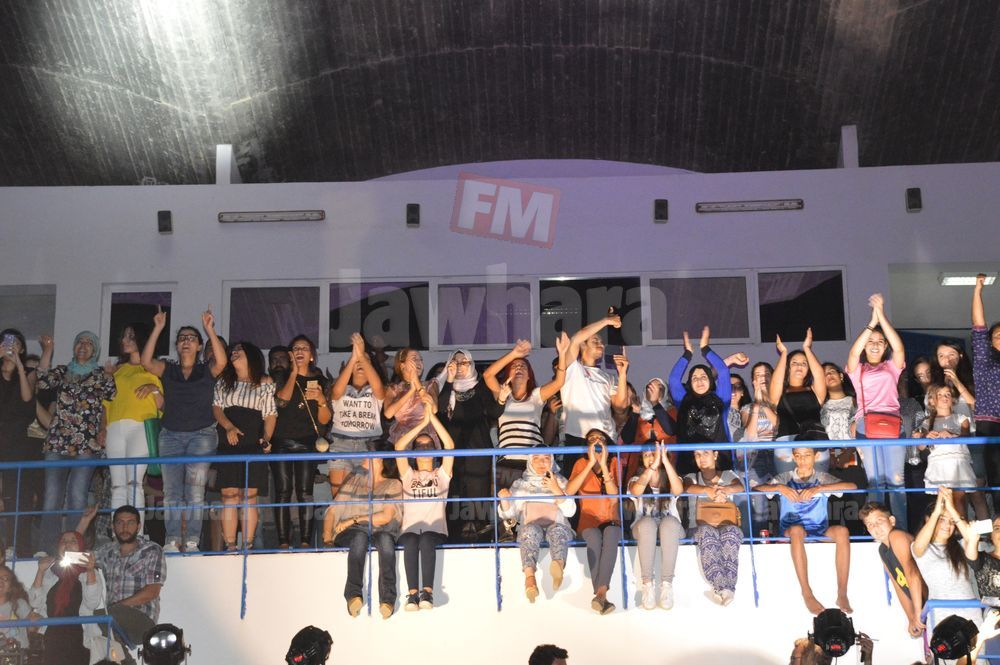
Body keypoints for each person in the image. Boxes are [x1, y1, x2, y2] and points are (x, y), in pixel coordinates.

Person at [141, 307, 226, 552]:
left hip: (202, 436)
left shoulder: (205, 370)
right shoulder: (169, 369)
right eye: (181, 338)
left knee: (195, 491)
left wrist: (209, 329)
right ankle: (172, 539)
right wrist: (158, 327)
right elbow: (146, 362)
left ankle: (191, 541)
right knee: (171, 492)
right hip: (170, 436)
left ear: (199, 346)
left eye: (191, 338)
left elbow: (222, 361)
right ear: (177, 346)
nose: (186, 341)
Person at [37, 331, 116, 554]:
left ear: (95, 351)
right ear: (74, 346)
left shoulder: (100, 374)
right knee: (52, 496)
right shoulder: (62, 371)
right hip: (57, 441)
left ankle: (73, 548)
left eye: (89, 343)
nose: (83, 345)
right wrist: (48, 351)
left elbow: (110, 397)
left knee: (77, 496)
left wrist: (109, 375)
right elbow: (43, 380)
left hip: (86, 444)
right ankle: (47, 548)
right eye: (80, 341)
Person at [756, 447, 855, 615]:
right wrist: (779, 487)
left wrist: (820, 489)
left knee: (842, 532)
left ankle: (842, 593)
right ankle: (807, 592)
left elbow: (852, 486)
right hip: (791, 530)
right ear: (793, 457)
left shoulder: (822, 478)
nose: (802, 460)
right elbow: (757, 489)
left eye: (807, 455)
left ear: (816, 456)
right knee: (797, 530)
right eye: (798, 456)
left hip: (818, 529)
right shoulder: (785, 478)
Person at [846, 293, 907, 531]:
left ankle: (900, 530)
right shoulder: (858, 369)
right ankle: (875, 529)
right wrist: (872, 323)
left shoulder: (891, 366)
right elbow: (853, 354)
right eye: (870, 341)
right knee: (875, 482)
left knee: (897, 482)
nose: (874, 344)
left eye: (880, 342)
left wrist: (881, 315)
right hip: (866, 423)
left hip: (893, 423)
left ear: (885, 346)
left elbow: (898, 347)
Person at [482, 335, 570, 494]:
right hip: (507, 460)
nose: (519, 368)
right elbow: (488, 375)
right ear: (508, 373)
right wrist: (514, 354)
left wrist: (562, 354)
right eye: (514, 366)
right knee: (506, 505)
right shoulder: (502, 394)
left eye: (523, 366)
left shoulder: (536, 395)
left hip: (533, 461)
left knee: (534, 504)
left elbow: (559, 382)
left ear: (529, 375)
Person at [392, 393, 454, 611]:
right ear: (415, 452)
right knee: (410, 539)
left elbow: (449, 445)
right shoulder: (408, 474)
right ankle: (412, 595)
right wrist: (421, 425)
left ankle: (427, 592)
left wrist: (431, 419)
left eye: (429, 446)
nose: (425, 449)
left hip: (436, 531)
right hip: (410, 530)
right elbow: (399, 447)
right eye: (420, 446)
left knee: (426, 538)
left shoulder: (442, 474)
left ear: (435, 451)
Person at [212, 342, 276, 550]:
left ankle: (247, 545)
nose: (234, 353)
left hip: (252, 440)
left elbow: (270, 414)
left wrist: (266, 438)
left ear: (251, 355)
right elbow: (217, 408)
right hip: (229, 439)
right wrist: (229, 427)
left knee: (249, 496)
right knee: (229, 495)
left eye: (239, 350)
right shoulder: (224, 381)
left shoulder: (264, 381)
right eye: (233, 350)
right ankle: (231, 546)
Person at [321, 333, 384, 544]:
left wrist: (362, 356)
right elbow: (336, 393)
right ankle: (332, 536)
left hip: (368, 446)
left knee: (364, 493)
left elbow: (379, 388)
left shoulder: (376, 390)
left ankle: (358, 533)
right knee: (338, 493)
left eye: (365, 361)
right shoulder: (341, 388)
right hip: (341, 444)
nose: (360, 364)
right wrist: (354, 355)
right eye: (356, 361)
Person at [328, 446, 402, 619]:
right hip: (354, 532)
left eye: (370, 454)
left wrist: (353, 520)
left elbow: (385, 517)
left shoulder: (393, 484)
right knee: (360, 537)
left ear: (380, 460)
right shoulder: (354, 480)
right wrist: (327, 537)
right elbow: (333, 510)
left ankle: (388, 600)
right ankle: (353, 596)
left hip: (379, 529)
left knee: (386, 541)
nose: (364, 457)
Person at [436, 348, 502, 541]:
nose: (460, 366)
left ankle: (479, 536)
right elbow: (439, 409)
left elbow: (494, 412)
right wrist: (449, 381)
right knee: (454, 493)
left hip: (478, 449)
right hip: (452, 452)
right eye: (455, 362)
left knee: (478, 492)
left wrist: (502, 398)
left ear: (471, 365)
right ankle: (454, 537)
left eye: (464, 362)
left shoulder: (480, 387)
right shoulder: (444, 386)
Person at [272, 334, 330, 549]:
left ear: (312, 355)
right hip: (281, 440)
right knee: (282, 491)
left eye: (304, 348)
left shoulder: (321, 381)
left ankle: (306, 540)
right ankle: (283, 541)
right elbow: (281, 403)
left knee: (305, 491)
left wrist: (321, 400)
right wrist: (294, 373)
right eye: (296, 348)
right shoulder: (281, 376)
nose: (299, 351)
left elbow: (325, 420)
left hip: (307, 440)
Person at [104, 323, 163, 531]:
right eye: (124, 337)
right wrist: (102, 429)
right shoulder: (117, 370)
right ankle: (117, 535)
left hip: (141, 426)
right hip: (114, 427)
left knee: (135, 484)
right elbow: (106, 403)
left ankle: (136, 535)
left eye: (130, 336)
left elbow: (163, 406)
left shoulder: (153, 368)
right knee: (117, 485)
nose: (124, 341)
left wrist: (154, 388)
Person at [497, 453, 575, 603]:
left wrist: (555, 488)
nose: (541, 462)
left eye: (546, 458)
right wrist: (504, 500)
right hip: (530, 529)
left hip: (558, 527)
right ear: (530, 462)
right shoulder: (520, 484)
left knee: (557, 530)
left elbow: (570, 511)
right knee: (529, 531)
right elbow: (509, 514)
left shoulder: (561, 481)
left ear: (552, 462)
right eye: (536, 458)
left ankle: (558, 567)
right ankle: (530, 578)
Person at [0, 329, 49, 556]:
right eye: (7, 342)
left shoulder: (28, 372)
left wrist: (19, 366)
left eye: (17, 344)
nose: (11, 347)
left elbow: (28, 398)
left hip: (18, 442)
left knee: (19, 498)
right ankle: (7, 547)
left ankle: (18, 548)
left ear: (22, 349)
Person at [560, 313, 630, 469]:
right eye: (595, 341)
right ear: (583, 346)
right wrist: (606, 321)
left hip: (606, 437)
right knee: (577, 483)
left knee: (609, 482)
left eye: (602, 342)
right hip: (578, 438)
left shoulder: (608, 377)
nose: (601, 345)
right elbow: (576, 339)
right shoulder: (572, 368)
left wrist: (622, 374)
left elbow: (620, 407)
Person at [91, 505, 166, 648]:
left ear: (138, 526)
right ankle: (123, 656)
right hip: (113, 617)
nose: (125, 527)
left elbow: (152, 591)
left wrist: (118, 607)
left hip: (142, 618)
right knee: (86, 622)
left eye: (130, 522)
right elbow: (76, 557)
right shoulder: (107, 551)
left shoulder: (151, 550)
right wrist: (85, 520)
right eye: (120, 523)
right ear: (113, 526)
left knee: (96, 619)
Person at [30, 530, 109, 665]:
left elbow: (92, 603)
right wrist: (40, 571)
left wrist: (90, 570)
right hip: (51, 637)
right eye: (63, 541)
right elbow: (34, 602)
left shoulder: (89, 573)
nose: (67, 544)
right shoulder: (50, 572)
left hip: (78, 637)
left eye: (73, 541)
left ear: (81, 546)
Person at [565, 430, 620, 614]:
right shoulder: (581, 463)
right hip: (588, 522)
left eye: (601, 439)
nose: (597, 442)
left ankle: (600, 593)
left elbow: (614, 497)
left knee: (612, 532)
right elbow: (569, 491)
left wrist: (603, 465)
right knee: (594, 536)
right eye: (592, 439)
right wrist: (590, 463)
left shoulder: (614, 462)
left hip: (611, 520)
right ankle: (602, 594)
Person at [912, 487, 981, 626]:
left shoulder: (961, 545)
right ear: (929, 519)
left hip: (970, 612)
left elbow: (971, 538)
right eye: (942, 519)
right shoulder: (923, 548)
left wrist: (951, 508)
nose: (947, 525)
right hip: (940, 614)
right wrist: (937, 511)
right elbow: (917, 548)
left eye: (951, 521)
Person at [668, 327, 733, 475]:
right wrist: (687, 353)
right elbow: (673, 379)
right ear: (690, 383)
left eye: (703, 377)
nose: (699, 381)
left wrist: (705, 349)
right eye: (694, 378)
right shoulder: (683, 400)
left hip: (719, 462)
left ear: (710, 380)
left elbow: (723, 371)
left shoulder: (721, 398)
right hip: (689, 463)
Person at [683, 448, 744, 605]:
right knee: (706, 532)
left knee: (732, 532)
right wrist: (707, 490)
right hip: (699, 527)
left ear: (715, 455)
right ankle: (725, 588)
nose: (701, 458)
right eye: (697, 455)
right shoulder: (692, 477)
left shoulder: (728, 475)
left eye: (705, 453)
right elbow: (687, 487)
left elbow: (740, 486)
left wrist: (725, 490)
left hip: (726, 524)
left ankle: (724, 589)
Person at [628, 443, 684, 610]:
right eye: (646, 455)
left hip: (670, 529)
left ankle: (667, 585)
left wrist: (665, 461)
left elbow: (678, 490)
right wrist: (652, 467)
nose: (651, 457)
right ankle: (647, 585)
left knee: (669, 523)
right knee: (647, 523)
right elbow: (636, 491)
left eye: (654, 454)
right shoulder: (636, 479)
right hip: (643, 529)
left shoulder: (672, 477)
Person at [915, 384, 985, 518]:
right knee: (944, 504)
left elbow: (966, 438)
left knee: (959, 501)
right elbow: (921, 447)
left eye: (947, 394)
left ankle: (962, 529)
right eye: (940, 395)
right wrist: (925, 436)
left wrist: (951, 435)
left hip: (958, 464)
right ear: (932, 400)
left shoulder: (961, 418)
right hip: (938, 466)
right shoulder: (927, 422)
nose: (945, 397)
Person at [859, 501, 925, 638]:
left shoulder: (897, 537)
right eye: (870, 525)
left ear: (892, 521)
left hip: (932, 599)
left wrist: (918, 612)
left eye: (879, 521)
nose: (876, 528)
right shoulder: (882, 550)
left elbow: (913, 575)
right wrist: (911, 617)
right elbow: (898, 585)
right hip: (923, 605)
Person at [770, 329, 828, 474]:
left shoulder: (814, 391)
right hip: (786, 442)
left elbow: (820, 375)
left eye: (804, 363)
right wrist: (784, 353)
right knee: (788, 485)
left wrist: (807, 348)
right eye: (794, 363)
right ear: (788, 367)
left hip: (814, 441)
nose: (799, 366)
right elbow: (776, 381)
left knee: (818, 484)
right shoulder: (779, 393)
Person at [821, 363, 866, 536]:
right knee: (832, 512)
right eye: (824, 374)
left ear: (841, 376)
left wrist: (848, 452)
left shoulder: (855, 401)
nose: (829, 375)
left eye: (832, 371)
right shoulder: (821, 405)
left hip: (853, 459)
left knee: (854, 509)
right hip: (829, 462)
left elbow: (861, 427)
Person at [971, 274, 1000, 506]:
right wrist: (977, 290)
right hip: (990, 422)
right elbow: (979, 327)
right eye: (998, 335)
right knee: (997, 476)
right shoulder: (984, 360)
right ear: (991, 341)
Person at [383, 348, 439, 446]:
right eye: (414, 359)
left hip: (425, 435)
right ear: (402, 365)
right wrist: (411, 391)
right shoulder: (394, 389)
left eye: (420, 359)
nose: (419, 362)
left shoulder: (430, 384)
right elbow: (388, 414)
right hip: (403, 436)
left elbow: (433, 409)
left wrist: (416, 381)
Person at [0, 563, 38, 648]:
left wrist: (35, 619)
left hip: (18, 653)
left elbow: (32, 629)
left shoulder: (19, 603)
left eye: (5, 578)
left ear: (11, 585)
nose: (0, 581)